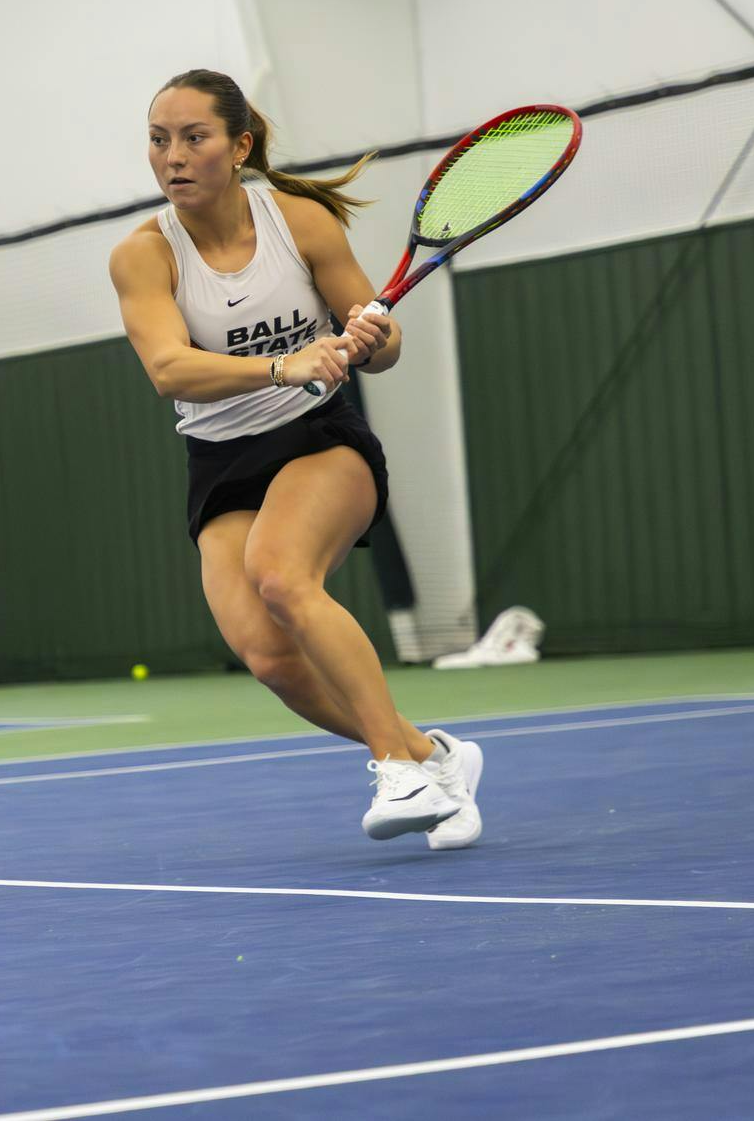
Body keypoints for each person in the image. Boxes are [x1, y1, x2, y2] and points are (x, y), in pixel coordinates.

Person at [107, 68, 483, 847]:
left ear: (239, 146)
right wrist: (283, 363)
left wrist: (373, 339)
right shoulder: (143, 255)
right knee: (271, 657)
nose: (173, 156)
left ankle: (398, 769)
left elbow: (383, 344)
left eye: (194, 138)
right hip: (220, 462)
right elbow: (169, 370)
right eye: (159, 140)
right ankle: (433, 756)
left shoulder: (301, 222)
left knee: (279, 575)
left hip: (318, 438)